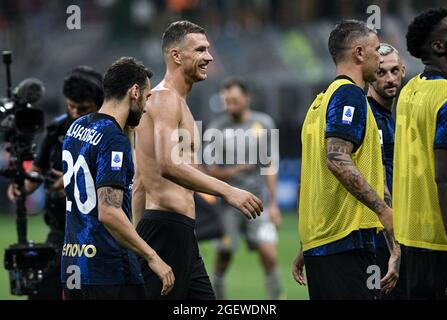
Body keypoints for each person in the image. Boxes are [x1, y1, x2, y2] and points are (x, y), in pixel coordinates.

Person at [132, 20, 263, 300]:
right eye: (201, 50)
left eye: (209, 49)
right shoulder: (165, 99)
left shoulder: (174, 102)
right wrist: (229, 191)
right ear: (177, 56)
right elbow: (169, 165)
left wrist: (137, 244)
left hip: (177, 232)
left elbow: (141, 181)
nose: (209, 57)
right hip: (166, 229)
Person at [292, 20, 401, 300]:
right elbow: (336, 160)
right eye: (376, 50)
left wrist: (307, 244)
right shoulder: (349, 95)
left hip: (322, 241)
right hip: (346, 242)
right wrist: (384, 211)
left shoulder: (319, 102)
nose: (380, 56)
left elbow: (315, 178)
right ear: (359, 53)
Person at [61, 57, 174, 300]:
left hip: (73, 265)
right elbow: (108, 211)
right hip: (108, 269)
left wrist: (129, 126)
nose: (146, 107)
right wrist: (153, 257)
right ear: (135, 92)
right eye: (146, 97)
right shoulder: (113, 139)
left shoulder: (76, 127)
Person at [7, 65, 103, 300]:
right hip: (61, 231)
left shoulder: (111, 131)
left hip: (99, 232)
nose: (74, 112)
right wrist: (22, 185)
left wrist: (72, 180)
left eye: (82, 109)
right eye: (71, 106)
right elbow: (37, 172)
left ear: (98, 104)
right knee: (43, 291)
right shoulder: (56, 129)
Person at [205, 78, 284, 300]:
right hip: (227, 205)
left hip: (257, 201)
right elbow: (209, 170)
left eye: (234, 100)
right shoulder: (216, 128)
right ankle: (217, 300)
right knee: (224, 255)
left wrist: (274, 204)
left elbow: (270, 165)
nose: (230, 105)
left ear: (246, 98)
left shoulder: (263, 123)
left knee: (269, 253)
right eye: (227, 101)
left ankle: (277, 299)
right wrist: (234, 171)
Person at [393, 7, 447, 300]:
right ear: (439, 45)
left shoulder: (408, 91)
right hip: (441, 242)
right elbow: (444, 179)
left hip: (410, 239)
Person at [367, 43, 408, 300]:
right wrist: (395, 246)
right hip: (379, 236)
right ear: (371, 74)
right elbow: (380, 183)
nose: (390, 78)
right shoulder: (371, 117)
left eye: (394, 71)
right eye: (381, 73)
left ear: (403, 71)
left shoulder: (393, 116)